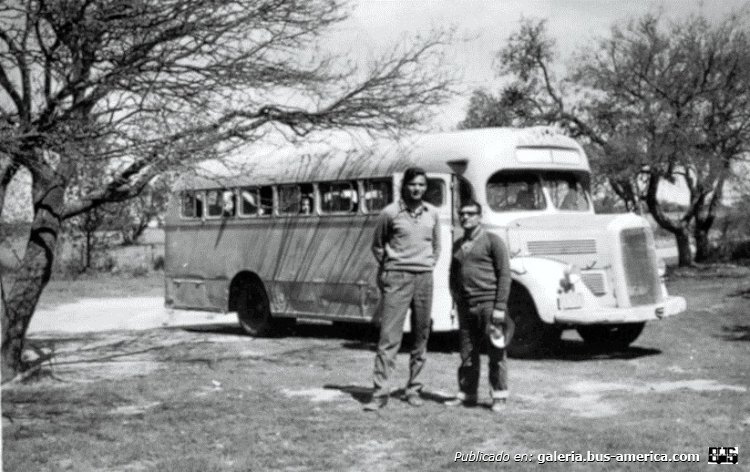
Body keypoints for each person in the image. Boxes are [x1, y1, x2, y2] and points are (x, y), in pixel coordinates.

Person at [363, 167, 441, 411]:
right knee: (389, 338)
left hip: (424, 279)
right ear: (404, 186)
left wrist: (426, 265)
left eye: (421, 185)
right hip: (397, 278)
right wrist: (391, 268)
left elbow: (436, 246)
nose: (417, 189)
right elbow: (377, 245)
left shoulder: (432, 214)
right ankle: (379, 394)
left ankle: (414, 389)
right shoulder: (390, 213)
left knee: (421, 336)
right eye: (412, 184)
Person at [445, 200, 513, 413]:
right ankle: (467, 394)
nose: (465, 217)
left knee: (496, 352)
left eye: (470, 213)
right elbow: (452, 275)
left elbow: (504, 275)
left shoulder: (493, 241)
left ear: (479, 217)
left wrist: (500, 307)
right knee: (467, 353)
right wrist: (456, 300)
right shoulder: (457, 244)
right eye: (462, 213)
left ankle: (499, 397)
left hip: (489, 305)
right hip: (466, 307)